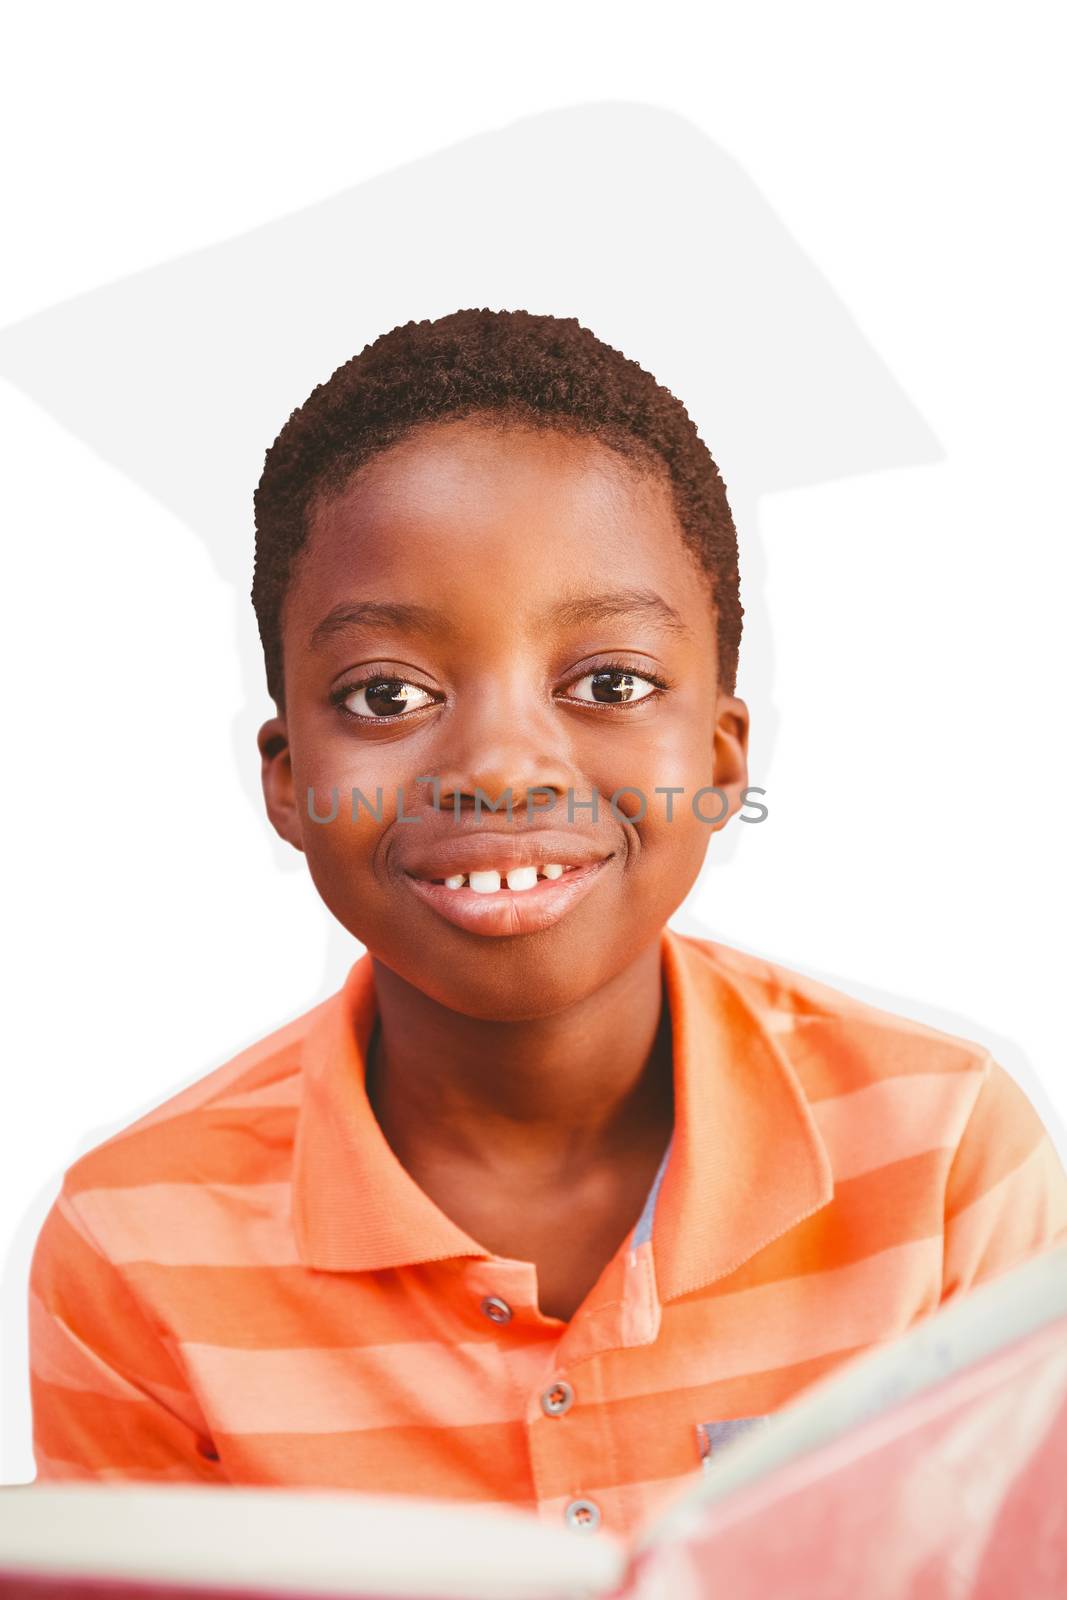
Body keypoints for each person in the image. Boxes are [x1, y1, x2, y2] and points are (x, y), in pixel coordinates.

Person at [27, 309, 1067, 1538]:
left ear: (723, 755)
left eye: (609, 683)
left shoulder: (939, 1156)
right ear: (286, 776)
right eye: (387, 693)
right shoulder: (136, 1246)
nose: (504, 768)